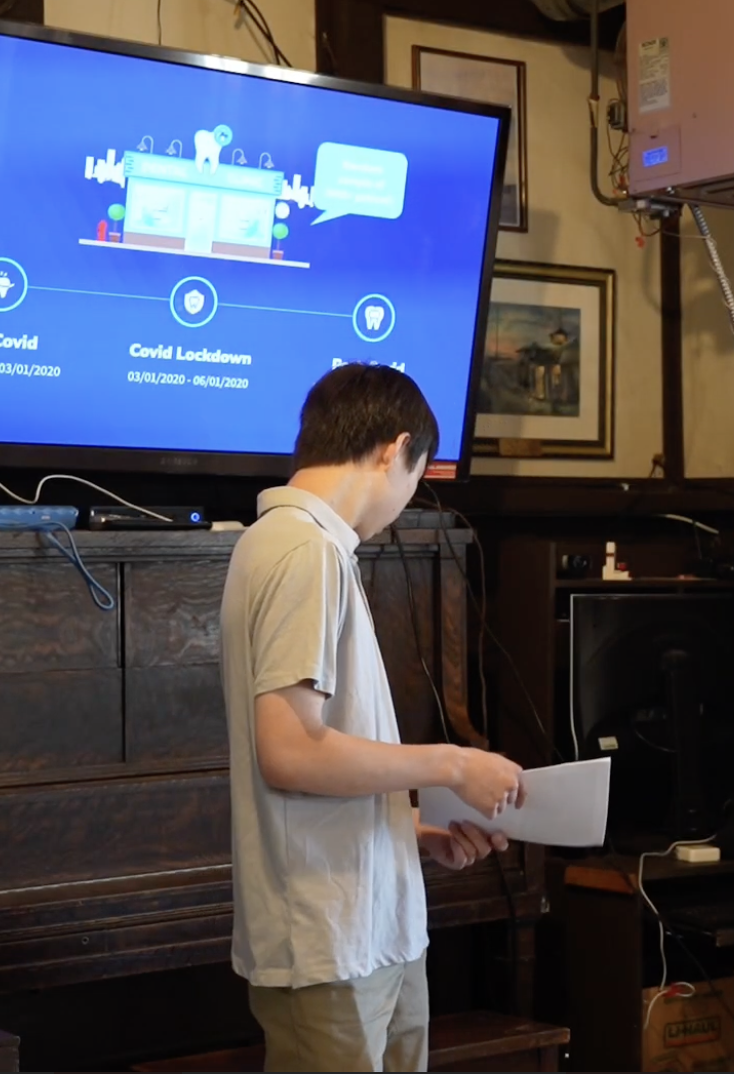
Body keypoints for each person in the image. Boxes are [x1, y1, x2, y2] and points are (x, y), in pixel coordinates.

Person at [222, 364, 527, 1072]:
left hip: (370, 927)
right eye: (417, 475)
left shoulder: (304, 546)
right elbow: (290, 751)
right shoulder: (303, 550)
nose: (408, 497)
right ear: (394, 451)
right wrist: (452, 763)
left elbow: (318, 761)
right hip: (329, 940)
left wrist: (409, 831)